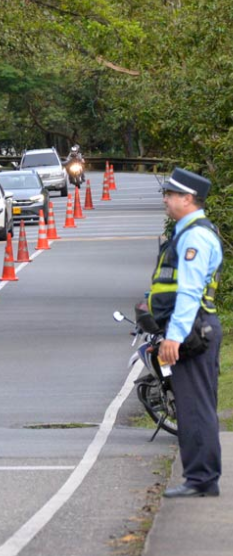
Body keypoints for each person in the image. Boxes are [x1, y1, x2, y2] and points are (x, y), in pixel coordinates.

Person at [150, 167, 223, 499]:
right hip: (193, 328)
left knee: (194, 407)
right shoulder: (185, 232)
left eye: (170, 195)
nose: (165, 200)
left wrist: (174, 337)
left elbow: (190, 293)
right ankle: (200, 477)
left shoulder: (194, 236)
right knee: (193, 404)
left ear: (188, 199)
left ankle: (202, 479)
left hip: (193, 330)